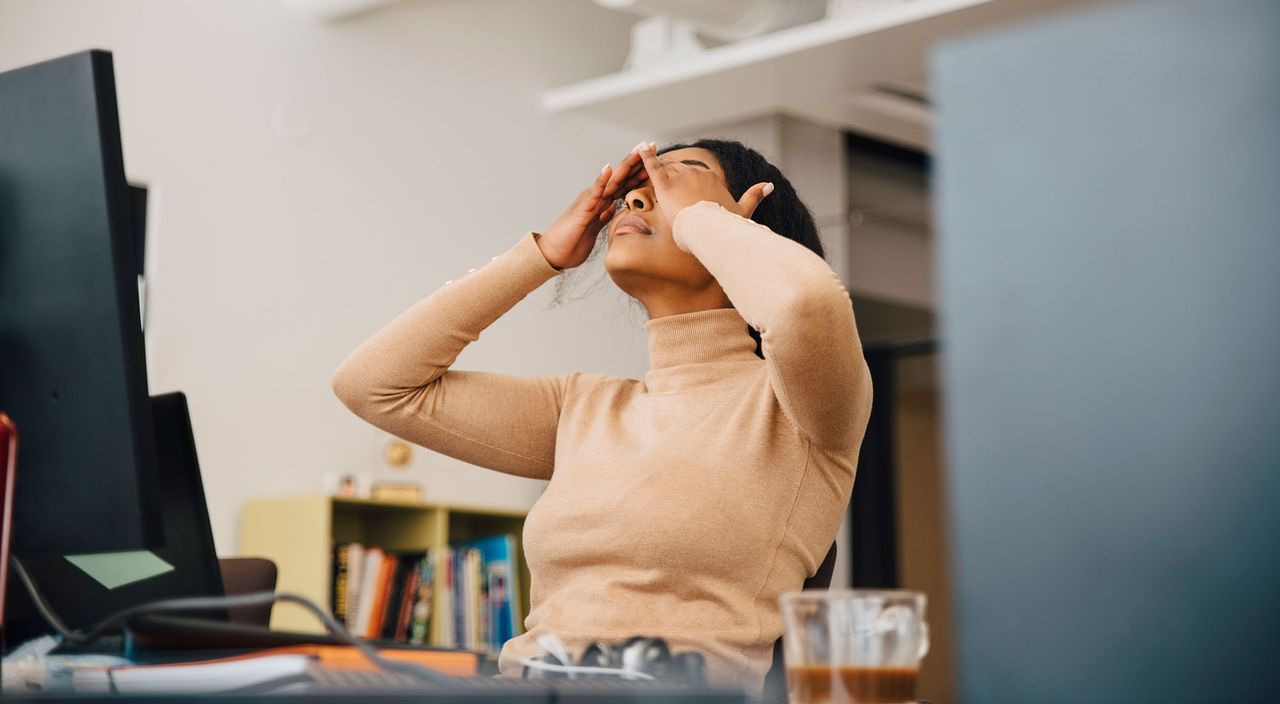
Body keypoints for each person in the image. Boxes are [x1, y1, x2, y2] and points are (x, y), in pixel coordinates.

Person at [331, 139, 873, 694]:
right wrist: (539, 257)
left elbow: (806, 304)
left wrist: (702, 221)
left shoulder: (800, 409)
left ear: (744, 222)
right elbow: (374, 385)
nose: (637, 199)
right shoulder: (583, 407)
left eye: (675, 181)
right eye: (635, 189)